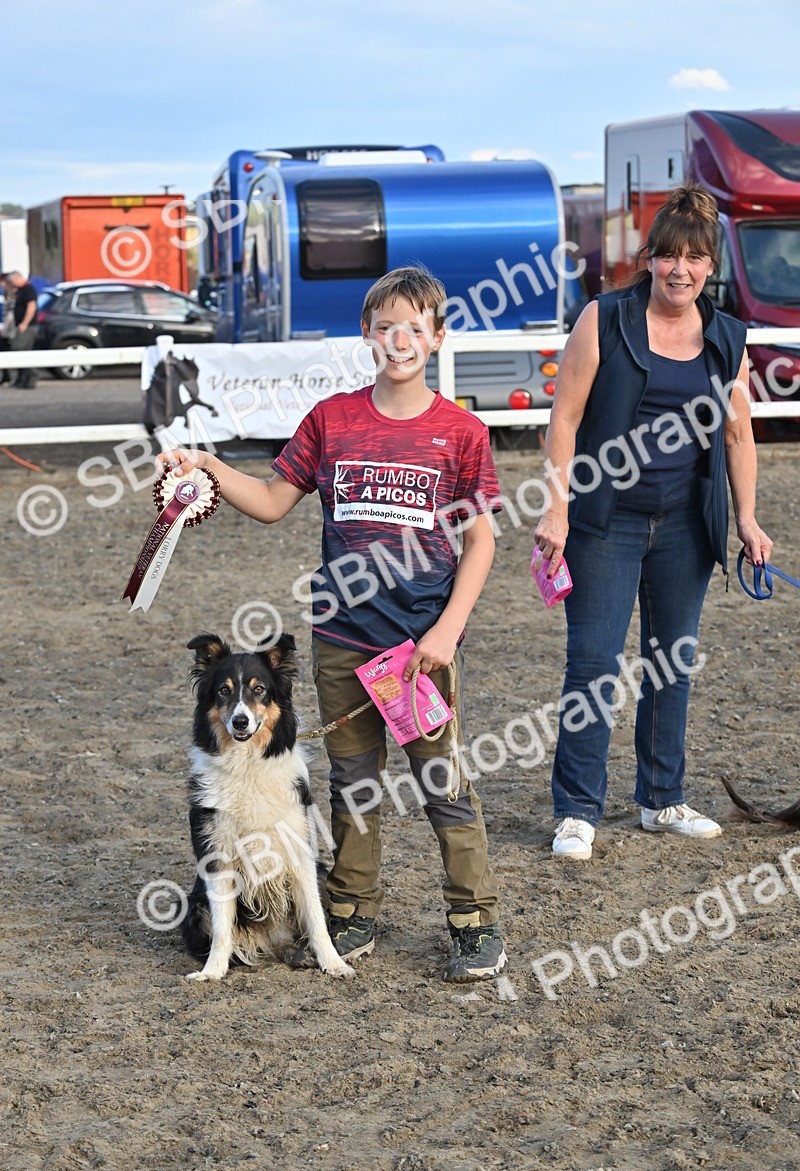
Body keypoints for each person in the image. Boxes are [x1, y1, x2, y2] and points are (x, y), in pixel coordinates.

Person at [156, 266, 507, 982]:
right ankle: (353, 911)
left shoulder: (462, 432)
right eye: (387, 327)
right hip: (344, 643)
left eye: (415, 327)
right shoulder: (332, 420)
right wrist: (210, 467)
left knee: (441, 782)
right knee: (353, 785)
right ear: (367, 335)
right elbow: (275, 498)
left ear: (438, 338)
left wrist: (446, 632)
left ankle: (473, 919)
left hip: (419, 651)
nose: (400, 340)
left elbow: (482, 541)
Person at [533, 184, 772, 862]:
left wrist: (748, 520)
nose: (681, 270)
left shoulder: (725, 337)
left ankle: (661, 801)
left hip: (686, 529)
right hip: (603, 523)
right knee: (593, 667)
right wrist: (555, 507)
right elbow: (566, 419)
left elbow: (737, 437)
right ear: (649, 258)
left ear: (710, 266)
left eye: (695, 258)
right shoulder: (603, 319)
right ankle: (576, 810)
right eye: (669, 256)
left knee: (672, 667)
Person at [7, 270, 38, 389]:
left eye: (12, 282)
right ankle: (22, 380)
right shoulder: (21, 290)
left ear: (18, 278)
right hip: (23, 325)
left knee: (18, 350)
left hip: (27, 327)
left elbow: (31, 307)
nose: (12, 284)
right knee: (23, 352)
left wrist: (24, 323)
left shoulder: (28, 290)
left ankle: (31, 377)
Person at [0, 273, 16, 385]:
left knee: (6, 351)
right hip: (6, 329)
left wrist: (4, 328)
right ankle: (6, 376)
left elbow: (10, 315)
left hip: (10, 330)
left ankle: (8, 377)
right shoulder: (6, 294)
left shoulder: (12, 294)